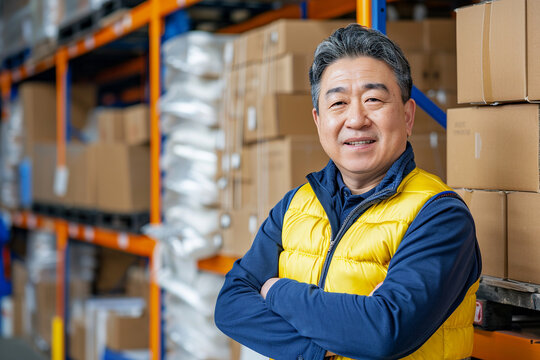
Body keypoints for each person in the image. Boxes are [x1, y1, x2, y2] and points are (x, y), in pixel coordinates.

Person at [215, 24, 481, 360]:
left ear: (408, 115)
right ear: (318, 120)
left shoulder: (439, 215)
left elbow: (384, 331)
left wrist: (276, 290)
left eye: (373, 99)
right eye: (338, 103)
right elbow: (230, 305)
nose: (356, 119)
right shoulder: (295, 206)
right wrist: (326, 349)